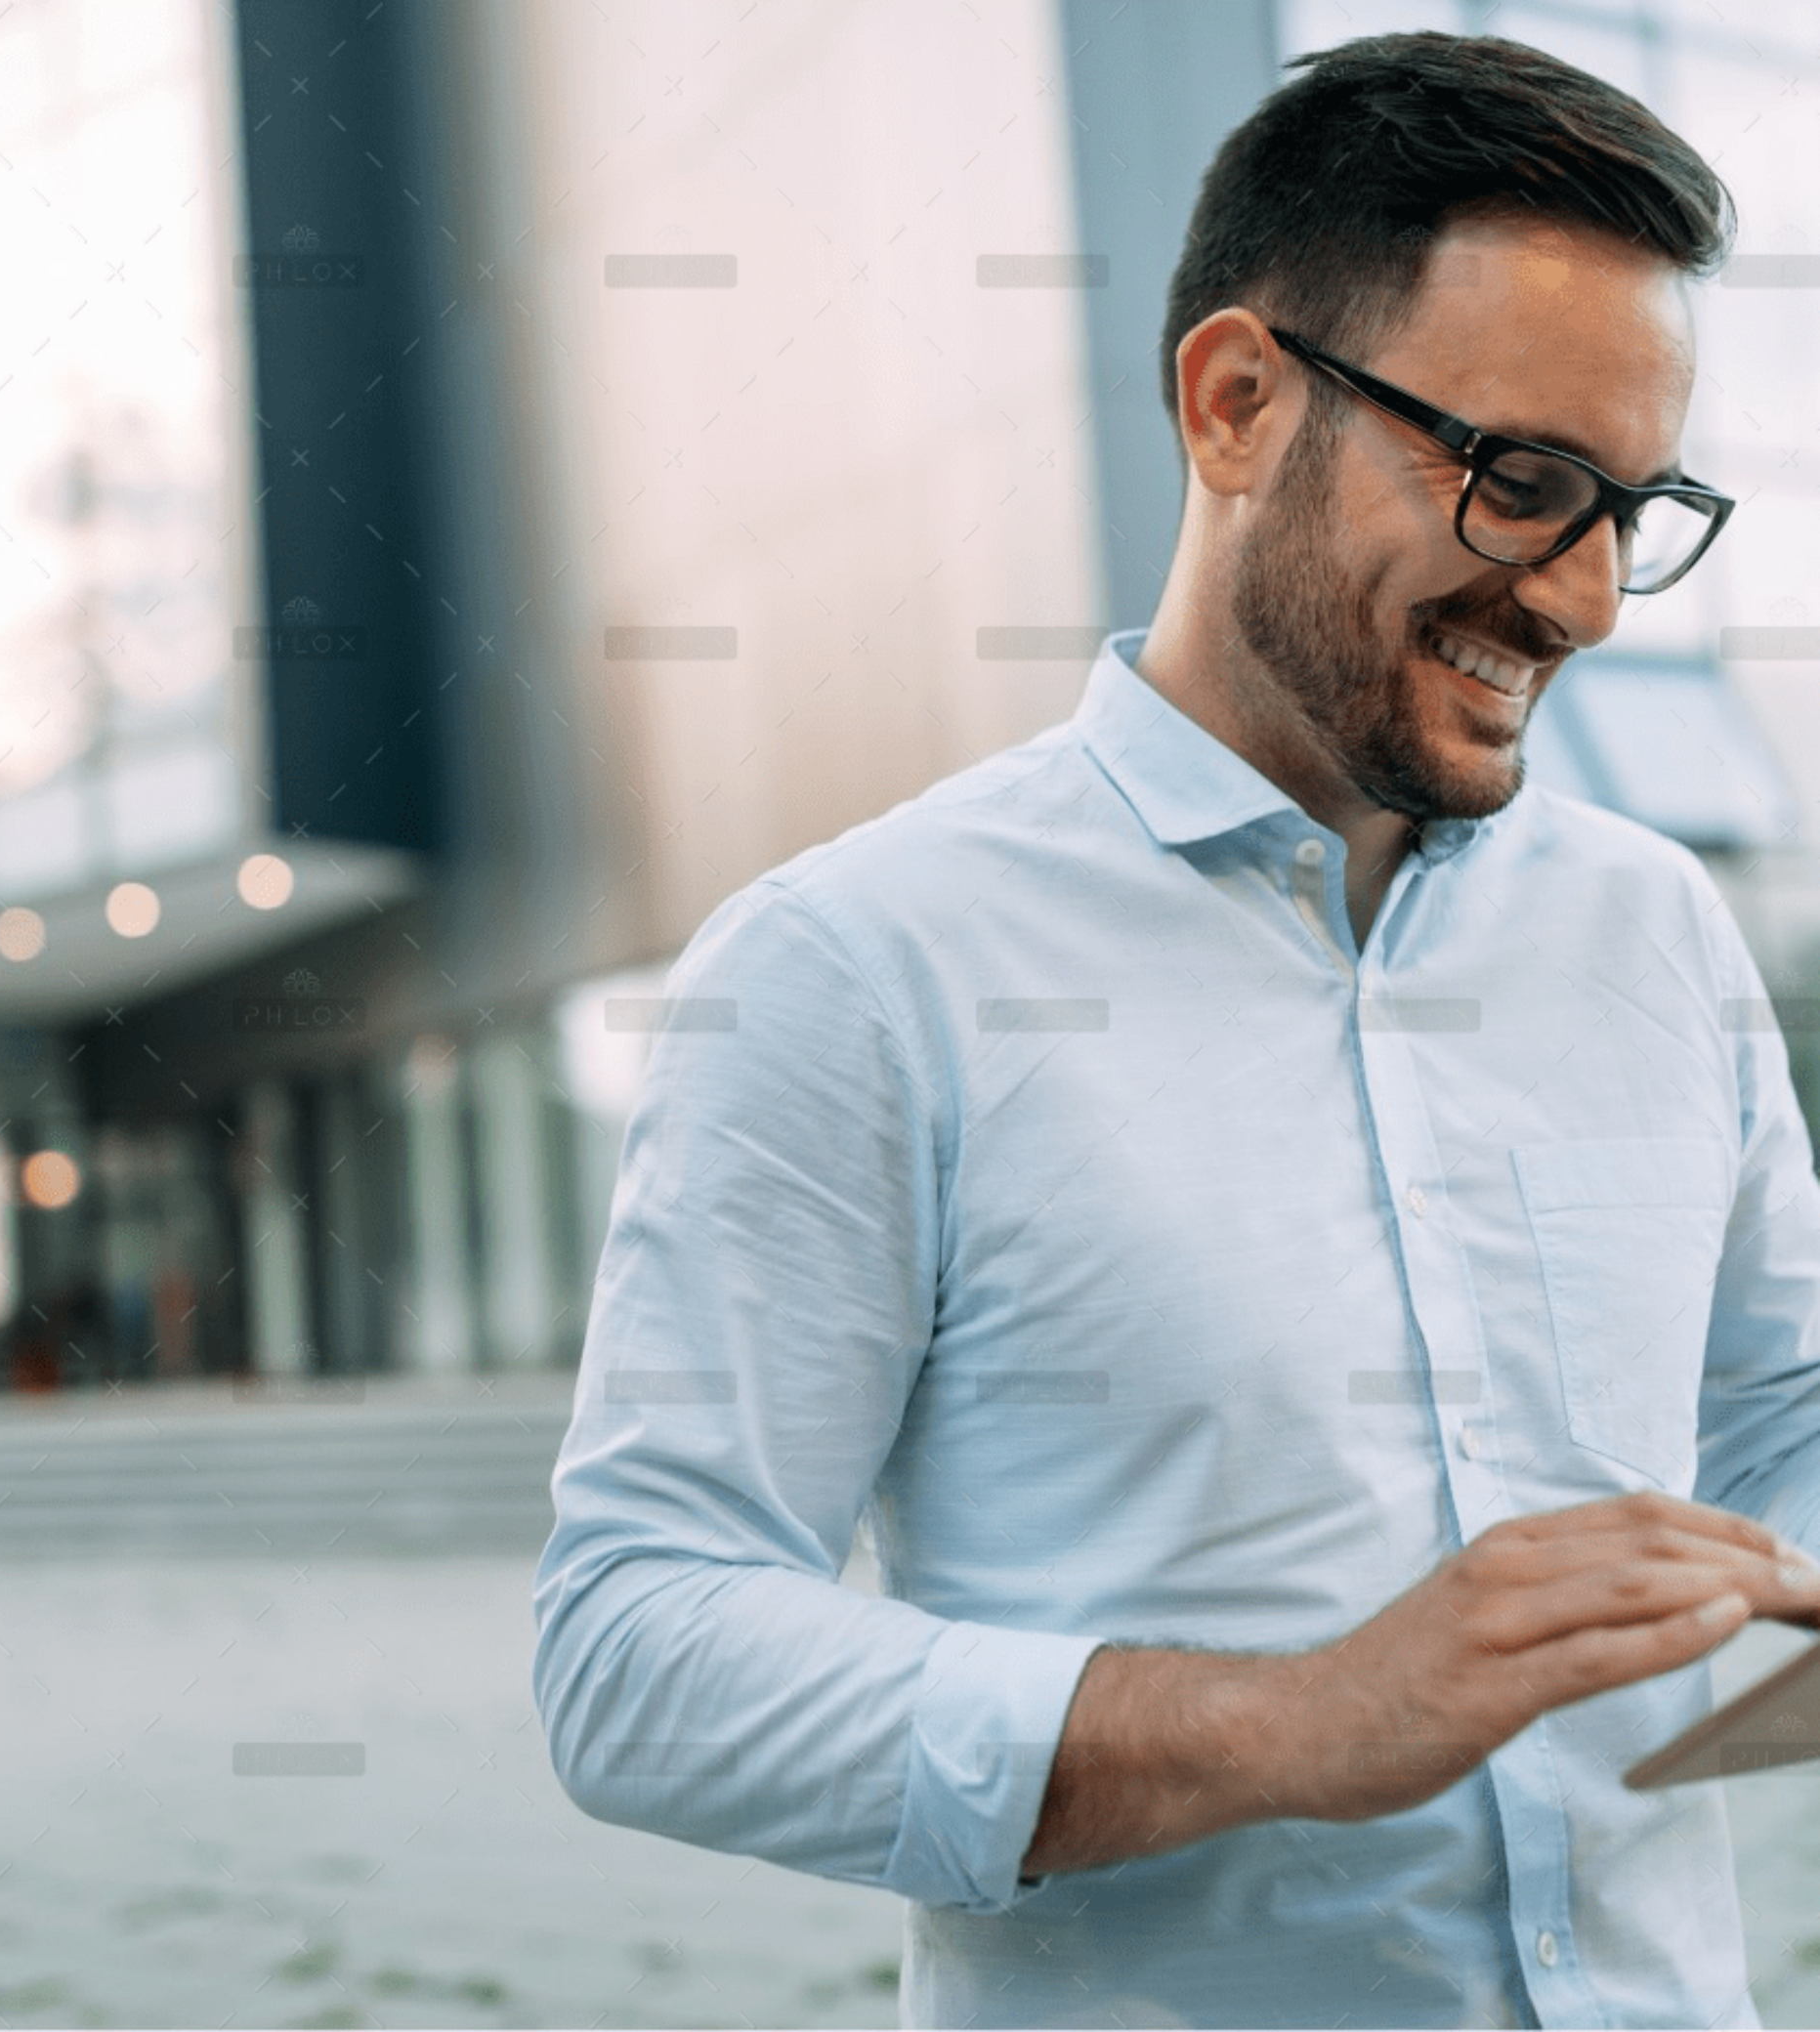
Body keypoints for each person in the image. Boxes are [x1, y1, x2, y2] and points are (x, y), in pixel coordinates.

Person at [531, 30, 1820, 2029]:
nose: (1582, 599)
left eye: (1630, 512)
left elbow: (1781, 1410)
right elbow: (635, 1652)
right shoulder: (860, 964)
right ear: (1235, 404)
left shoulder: (1651, 930)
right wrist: (1294, 1722)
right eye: (1520, 485)